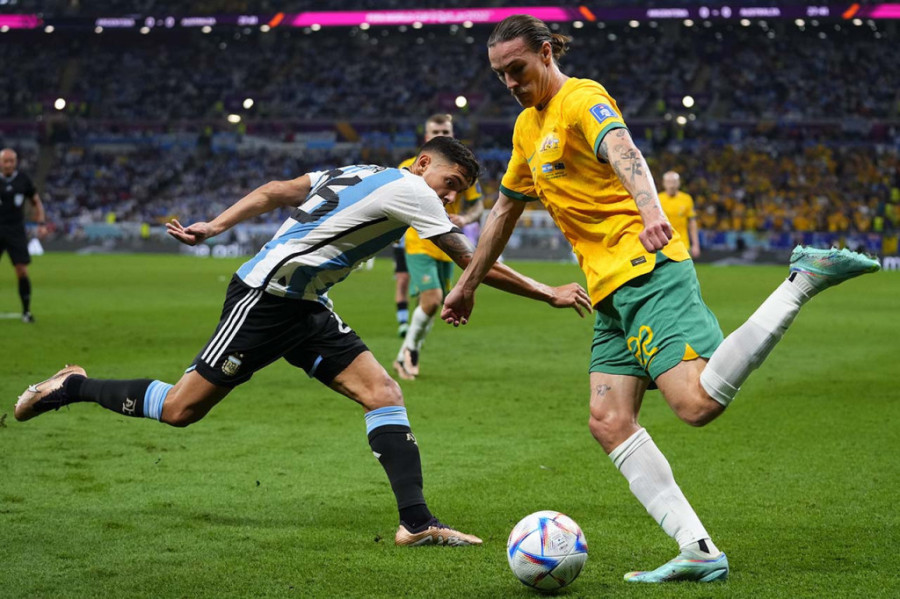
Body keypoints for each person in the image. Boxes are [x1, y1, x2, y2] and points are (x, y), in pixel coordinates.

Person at [442, 15, 880, 582]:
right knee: (608, 420)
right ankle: (698, 549)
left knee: (695, 405)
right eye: (500, 74)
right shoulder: (528, 128)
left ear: (547, 53)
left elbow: (623, 149)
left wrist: (652, 211)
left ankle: (802, 280)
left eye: (517, 69)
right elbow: (504, 210)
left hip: (646, 268)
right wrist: (467, 283)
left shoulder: (581, 99)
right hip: (608, 293)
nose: (509, 82)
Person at [16, 136, 591, 547]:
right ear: (423, 164)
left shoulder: (359, 171)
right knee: (180, 409)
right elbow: (474, 260)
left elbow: (275, 190)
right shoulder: (411, 188)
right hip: (264, 300)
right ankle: (74, 385)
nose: (448, 198)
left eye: (457, 192)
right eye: (450, 185)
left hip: (306, 305)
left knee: (383, 393)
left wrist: (217, 224)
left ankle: (416, 523)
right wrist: (548, 291)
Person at [393, 114, 485, 380]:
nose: (441, 134)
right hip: (419, 242)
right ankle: (409, 352)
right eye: (436, 131)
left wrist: (465, 218)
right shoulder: (409, 167)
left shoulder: (463, 171)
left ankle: (405, 354)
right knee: (432, 299)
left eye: (445, 131)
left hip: (448, 247)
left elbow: (478, 206)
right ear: (426, 137)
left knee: (435, 305)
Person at [0, 148, 45, 323]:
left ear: (16, 162)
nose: (8, 164)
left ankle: (26, 311)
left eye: (11, 161)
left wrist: (41, 223)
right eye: (5, 161)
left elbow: (36, 202)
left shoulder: (23, 180)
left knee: (21, 270)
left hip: (16, 230)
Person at [659, 171, 700, 259]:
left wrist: (695, 244)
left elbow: (692, 223)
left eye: (674, 182)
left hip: (682, 243)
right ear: (663, 183)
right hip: (664, 244)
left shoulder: (686, 199)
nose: (671, 185)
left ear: (679, 183)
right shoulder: (657, 199)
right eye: (668, 182)